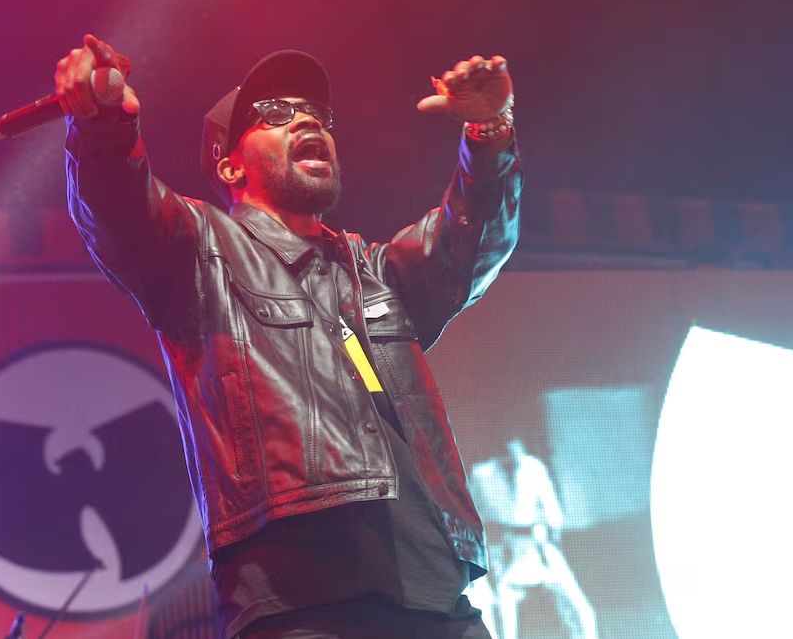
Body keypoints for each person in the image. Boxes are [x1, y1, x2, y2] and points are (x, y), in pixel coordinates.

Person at [58, 34, 522, 639]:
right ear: (229, 163)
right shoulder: (202, 254)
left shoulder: (374, 270)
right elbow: (118, 207)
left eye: (317, 114)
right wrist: (102, 122)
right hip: (299, 605)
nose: (305, 118)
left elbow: (473, 241)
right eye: (274, 114)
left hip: (437, 599)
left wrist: (490, 132)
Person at [469, 440, 597, 639]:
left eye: (517, 452)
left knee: (580, 607)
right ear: (498, 454)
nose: (514, 457)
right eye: (508, 453)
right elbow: (476, 517)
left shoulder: (533, 468)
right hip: (503, 550)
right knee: (503, 608)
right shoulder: (482, 474)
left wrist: (548, 538)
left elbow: (553, 512)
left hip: (539, 545)